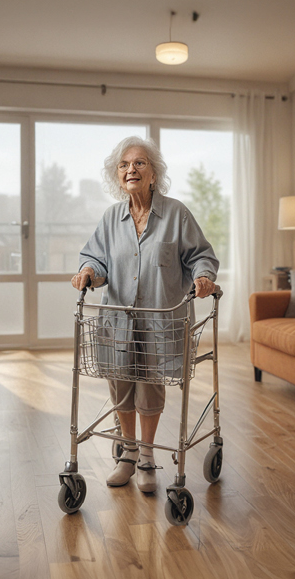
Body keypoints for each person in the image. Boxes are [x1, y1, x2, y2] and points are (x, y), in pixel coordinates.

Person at [73, 136, 218, 493]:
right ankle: (128, 454)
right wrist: (89, 272)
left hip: (160, 319)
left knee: (150, 388)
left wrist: (203, 276)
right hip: (118, 320)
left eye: (138, 163)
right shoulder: (111, 218)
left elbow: (202, 255)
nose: (130, 170)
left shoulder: (177, 214)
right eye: (124, 165)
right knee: (121, 385)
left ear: (154, 173)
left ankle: (148, 457)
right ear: (117, 175)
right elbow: (95, 258)